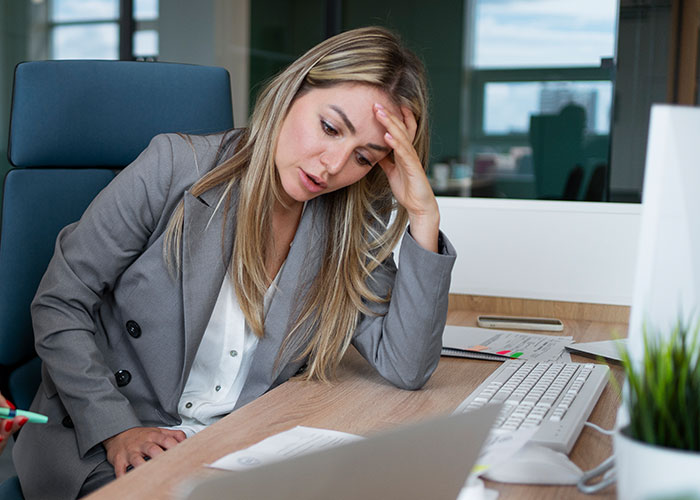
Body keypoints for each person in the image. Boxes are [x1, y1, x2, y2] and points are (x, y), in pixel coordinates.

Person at [14, 26, 456, 499]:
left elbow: (407, 366)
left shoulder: (343, 228)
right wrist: (115, 428)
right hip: (111, 443)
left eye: (363, 157)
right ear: (293, 91)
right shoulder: (174, 167)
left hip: (238, 447)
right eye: (329, 128)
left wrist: (423, 215)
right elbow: (60, 302)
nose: (332, 165)